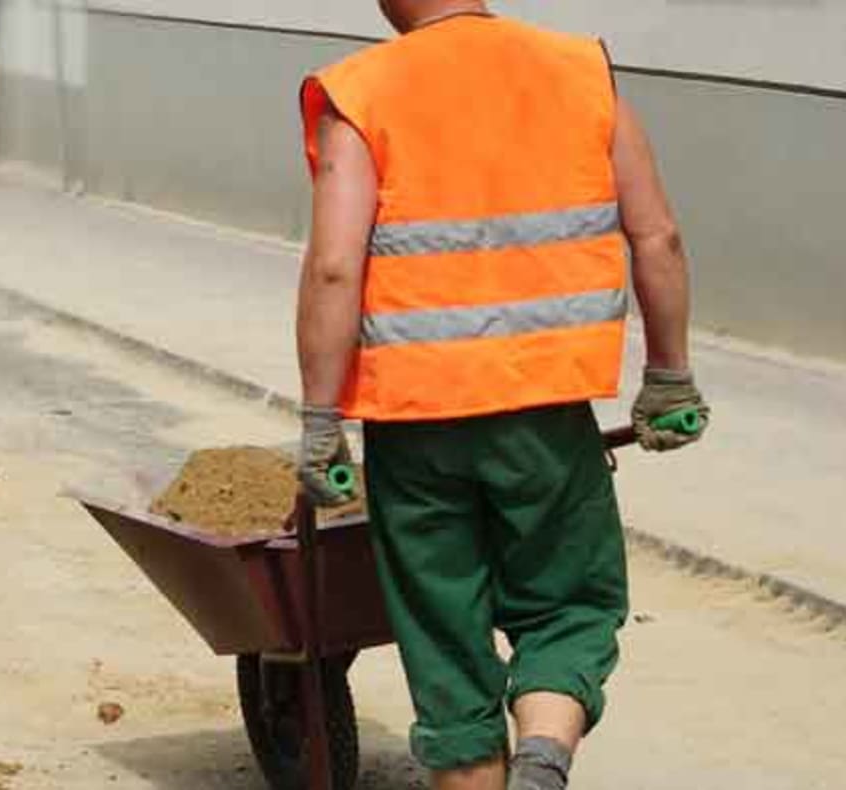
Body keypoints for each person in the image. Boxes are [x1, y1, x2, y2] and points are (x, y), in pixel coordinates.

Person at [294, 2, 710, 789]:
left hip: (415, 426)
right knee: (568, 608)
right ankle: (544, 760)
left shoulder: (361, 90)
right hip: (547, 415)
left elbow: (334, 268)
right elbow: (657, 236)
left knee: (445, 640)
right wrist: (669, 374)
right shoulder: (581, 70)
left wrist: (321, 422)